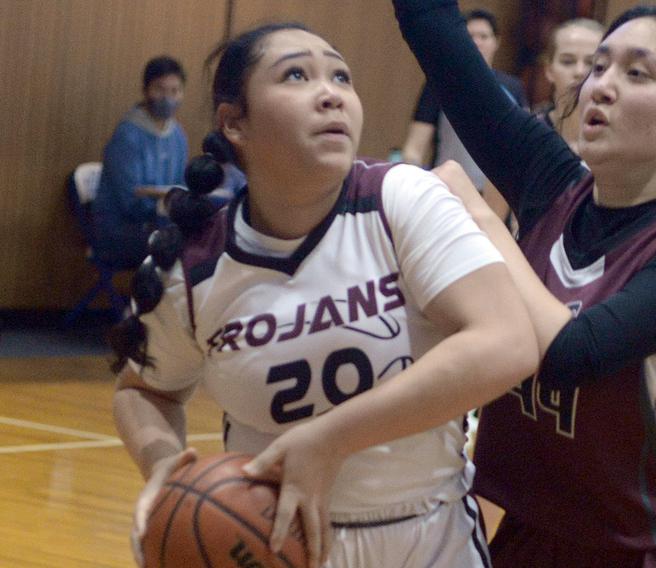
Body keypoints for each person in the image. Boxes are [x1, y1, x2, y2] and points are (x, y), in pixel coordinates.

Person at [110, 23, 539, 568]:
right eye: (296, 74)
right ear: (233, 122)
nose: (332, 92)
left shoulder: (401, 199)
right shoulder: (192, 265)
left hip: (429, 537)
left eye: (341, 75)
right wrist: (166, 467)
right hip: (272, 542)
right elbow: (142, 390)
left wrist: (329, 439)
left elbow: (507, 342)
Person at [394, 1, 656, 565]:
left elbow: (573, 352)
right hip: (533, 540)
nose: (602, 86)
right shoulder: (550, 181)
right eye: (599, 66)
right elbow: (439, 41)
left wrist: (480, 218)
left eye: (636, 73)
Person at [399, 8, 527, 189]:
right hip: (447, 190)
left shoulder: (514, 87)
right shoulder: (439, 83)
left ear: (496, 42)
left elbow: (523, 148)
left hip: (500, 196)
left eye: (484, 36)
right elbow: (414, 148)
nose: (476, 42)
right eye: (470, 36)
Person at [92, 56, 189, 269]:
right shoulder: (128, 135)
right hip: (120, 230)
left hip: (159, 224)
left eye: (175, 91)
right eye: (160, 89)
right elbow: (129, 201)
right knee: (183, 250)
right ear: (145, 90)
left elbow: (180, 188)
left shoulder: (178, 135)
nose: (168, 98)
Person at [534, 18, 604, 153]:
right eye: (568, 61)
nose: (580, 72)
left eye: (591, 62)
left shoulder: (620, 139)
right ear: (549, 70)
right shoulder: (528, 133)